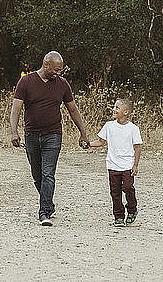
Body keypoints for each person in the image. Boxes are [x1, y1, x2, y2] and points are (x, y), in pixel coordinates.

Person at [10, 51, 89, 226]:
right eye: (55, 70)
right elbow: (16, 109)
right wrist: (14, 132)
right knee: (37, 175)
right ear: (46, 64)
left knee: (48, 174)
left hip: (53, 135)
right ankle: (49, 204)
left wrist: (82, 132)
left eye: (60, 70)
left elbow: (73, 110)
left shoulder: (62, 84)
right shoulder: (26, 81)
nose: (58, 73)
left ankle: (44, 212)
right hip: (31, 134)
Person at [88, 98, 142, 227]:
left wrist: (135, 164)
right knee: (115, 192)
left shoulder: (133, 129)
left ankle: (132, 209)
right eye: (114, 107)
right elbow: (101, 142)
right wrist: (88, 144)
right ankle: (118, 216)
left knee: (128, 188)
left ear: (126, 112)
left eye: (117, 108)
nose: (114, 109)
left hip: (127, 165)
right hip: (113, 165)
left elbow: (137, 147)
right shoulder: (109, 126)